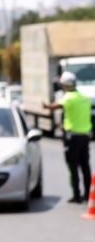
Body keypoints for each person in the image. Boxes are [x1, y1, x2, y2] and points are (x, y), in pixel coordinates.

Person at [44, 71, 92, 203]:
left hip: (72, 138)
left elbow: (55, 106)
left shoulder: (68, 97)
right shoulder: (85, 97)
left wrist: (45, 105)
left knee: (73, 166)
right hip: (85, 136)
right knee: (85, 166)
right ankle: (88, 193)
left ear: (65, 85)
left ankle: (76, 195)